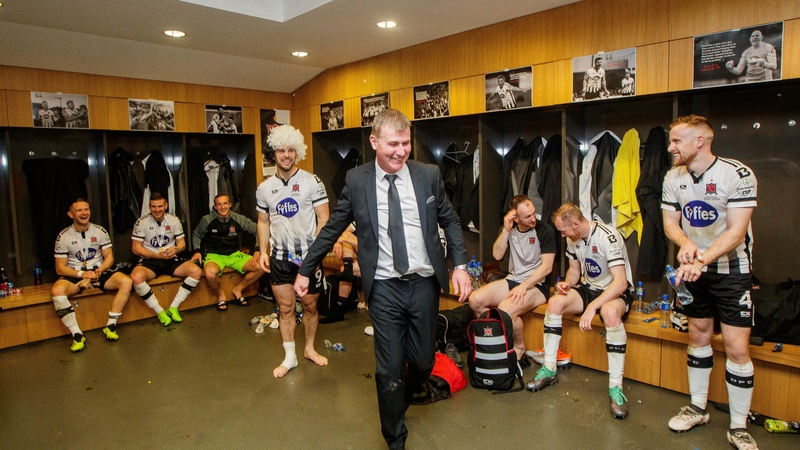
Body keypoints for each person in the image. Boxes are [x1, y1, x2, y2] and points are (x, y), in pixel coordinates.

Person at [293, 109, 471, 450]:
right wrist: (306, 268)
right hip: (385, 287)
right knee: (388, 369)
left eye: (405, 143)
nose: (401, 151)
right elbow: (332, 228)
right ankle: (395, 439)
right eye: (393, 144)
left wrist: (460, 265)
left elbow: (451, 220)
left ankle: (397, 403)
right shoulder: (358, 181)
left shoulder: (428, 175)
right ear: (374, 142)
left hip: (423, 284)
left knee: (422, 362)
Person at [662, 115, 759, 450]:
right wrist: (686, 246)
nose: (671, 146)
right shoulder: (673, 177)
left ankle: (738, 426)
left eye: (676, 141)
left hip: (732, 272)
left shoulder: (737, 174)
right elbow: (671, 224)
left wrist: (702, 259)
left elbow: (735, 232)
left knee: (736, 347)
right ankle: (698, 408)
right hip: (694, 272)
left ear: (699, 141)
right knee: (698, 335)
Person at [527, 203, 633, 420]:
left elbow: (621, 282)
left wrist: (594, 307)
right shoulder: (572, 239)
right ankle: (549, 369)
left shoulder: (607, 237)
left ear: (576, 224)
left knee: (610, 314)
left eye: (563, 230)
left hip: (615, 292)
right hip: (590, 288)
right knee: (555, 303)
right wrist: (567, 283)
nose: (561, 234)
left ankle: (616, 388)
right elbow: (575, 272)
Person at [255, 124, 330, 378]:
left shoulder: (312, 182)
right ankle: (290, 356)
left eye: (290, 150)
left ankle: (309, 348)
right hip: (279, 258)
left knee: (309, 306)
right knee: (285, 308)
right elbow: (263, 221)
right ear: (273, 154)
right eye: (280, 150)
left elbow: (324, 220)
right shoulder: (264, 188)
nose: (286, 155)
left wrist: (316, 256)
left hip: (307, 259)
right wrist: (263, 251)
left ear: (297, 151)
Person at [466, 195, 556, 368]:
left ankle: (519, 348)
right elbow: (497, 255)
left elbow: (547, 267)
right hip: (513, 279)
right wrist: (506, 230)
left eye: (533, 214)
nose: (533, 219)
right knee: (475, 300)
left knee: (506, 310)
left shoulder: (544, 230)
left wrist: (524, 286)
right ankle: (494, 340)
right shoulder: (510, 229)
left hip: (537, 285)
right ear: (516, 218)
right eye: (527, 217)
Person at [51, 199, 134, 352]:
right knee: (57, 291)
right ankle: (77, 334)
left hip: (98, 271)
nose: (84, 213)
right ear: (70, 214)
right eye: (79, 210)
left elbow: (109, 257)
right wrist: (83, 274)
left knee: (126, 282)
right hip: (75, 274)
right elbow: (60, 268)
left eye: (86, 209)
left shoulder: (100, 231)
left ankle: (110, 325)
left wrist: (99, 271)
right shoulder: (63, 236)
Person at [130, 193, 203, 325]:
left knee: (196, 271)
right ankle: (160, 311)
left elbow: (182, 244)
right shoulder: (141, 222)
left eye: (160, 206)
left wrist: (176, 249)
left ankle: (173, 307)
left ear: (166, 205)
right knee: (136, 277)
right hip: (150, 260)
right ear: (149, 206)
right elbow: (136, 249)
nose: (157, 210)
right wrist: (157, 255)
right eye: (153, 207)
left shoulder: (174, 220)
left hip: (170, 259)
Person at [192, 194, 264, 311]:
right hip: (214, 255)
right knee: (210, 273)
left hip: (234, 254)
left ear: (230, 204)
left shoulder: (238, 218)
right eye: (219, 204)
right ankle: (221, 295)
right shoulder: (207, 219)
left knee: (261, 267)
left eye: (225, 203)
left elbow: (258, 230)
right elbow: (196, 234)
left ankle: (238, 289)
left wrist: (257, 250)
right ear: (215, 207)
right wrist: (196, 251)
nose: (223, 207)